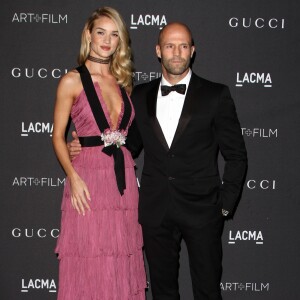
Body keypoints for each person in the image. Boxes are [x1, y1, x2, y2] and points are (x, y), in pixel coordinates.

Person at [69, 22, 247, 300]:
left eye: (183, 46)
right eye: (169, 46)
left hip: (203, 210)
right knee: (163, 292)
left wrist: (224, 207)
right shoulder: (138, 96)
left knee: (208, 290)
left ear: (193, 51)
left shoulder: (216, 94)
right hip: (155, 211)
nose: (177, 53)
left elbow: (236, 154)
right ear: (158, 51)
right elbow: (129, 145)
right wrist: (88, 144)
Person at [52, 7, 146, 300]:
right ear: (88, 36)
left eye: (114, 34)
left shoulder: (123, 83)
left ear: (121, 41)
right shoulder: (72, 80)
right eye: (101, 32)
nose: (107, 40)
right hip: (88, 178)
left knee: (122, 257)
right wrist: (73, 176)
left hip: (123, 180)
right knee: (91, 258)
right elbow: (57, 136)